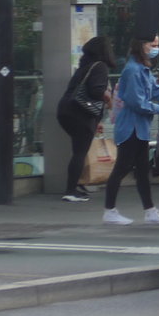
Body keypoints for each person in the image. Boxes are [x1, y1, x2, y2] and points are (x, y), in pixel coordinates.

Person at [103, 35, 159, 226]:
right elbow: (137, 102)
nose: (156, 48)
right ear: (141, 46)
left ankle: (149, 211)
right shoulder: (133, 71)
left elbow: (156, 90)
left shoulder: (142, 69)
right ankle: (110, 210)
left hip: (138, 128)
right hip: (130, 128)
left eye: (157, 44)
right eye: (153, 45)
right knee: (122, 168)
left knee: (142, 171)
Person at [56, 36, 116, 202]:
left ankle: (75, 186)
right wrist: (108, 97)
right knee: (80, 152)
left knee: (78, 151)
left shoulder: (85, 65)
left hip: (67, 110)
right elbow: (97, 90)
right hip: (80, 113)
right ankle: (70, 190)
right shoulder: (100, 67)